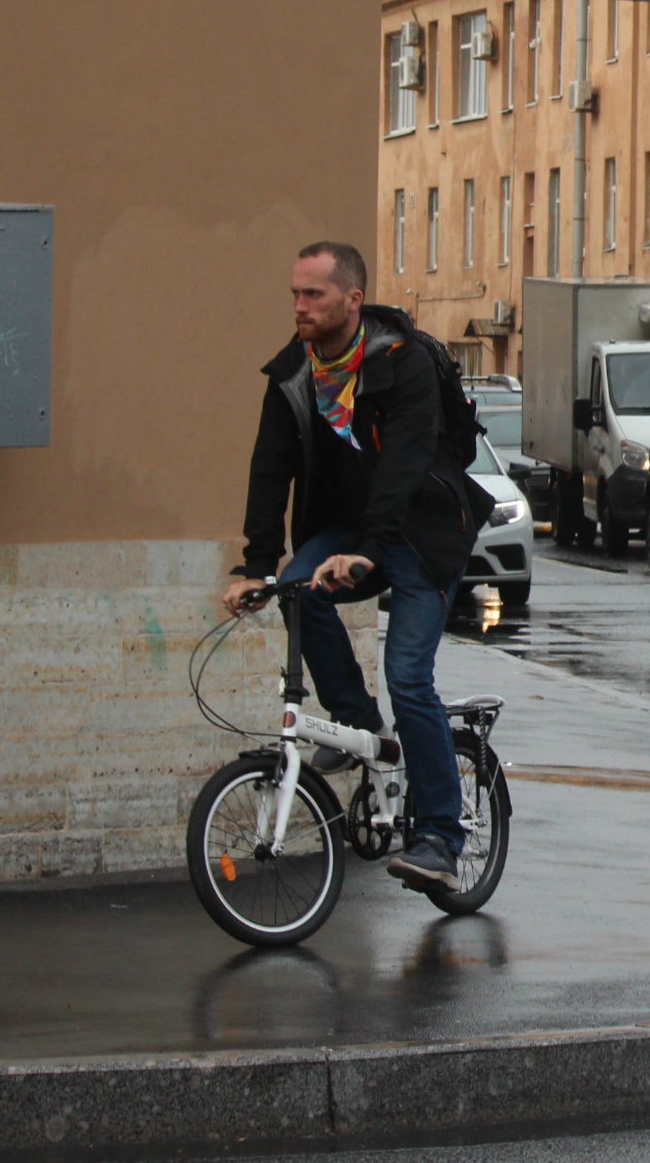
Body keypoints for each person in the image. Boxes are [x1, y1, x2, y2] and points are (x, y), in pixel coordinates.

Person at [221, 242, 493, 891]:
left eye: (313, 294)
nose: (299, 306)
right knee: (296, 591)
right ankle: (355, 723)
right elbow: (270, 471)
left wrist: (370, 548)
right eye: (294, 294)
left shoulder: (405, 363)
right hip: (349, 531)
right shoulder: (293, 373)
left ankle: (440, 839)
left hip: (424, 532)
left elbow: (402, 464)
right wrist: (257, 565)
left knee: (407, 675)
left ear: (351, 298)